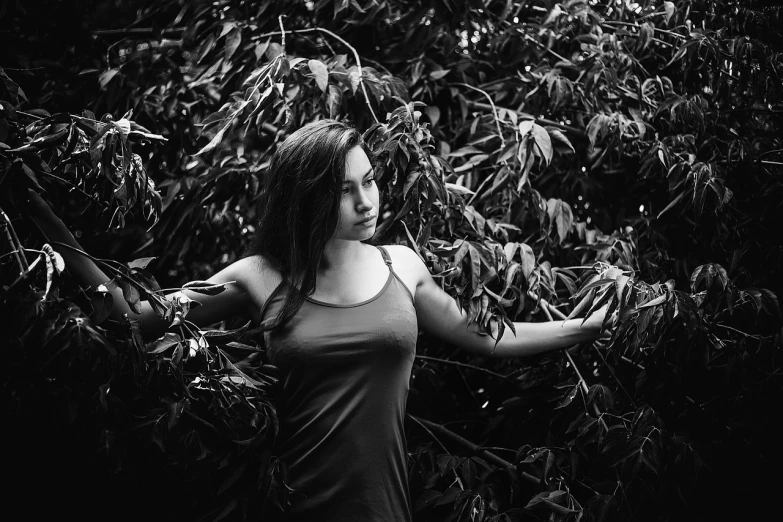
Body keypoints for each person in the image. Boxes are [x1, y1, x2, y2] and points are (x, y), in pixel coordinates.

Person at [28, 119, 609, 521]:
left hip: (384, 509)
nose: (366, 201)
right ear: (306, 198)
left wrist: (581, 329)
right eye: (343, 190)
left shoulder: (401, 266)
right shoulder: (259, 275)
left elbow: (485, 336)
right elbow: (131, 318)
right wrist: (44, 217)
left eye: (370, 181)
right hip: (289, 505)